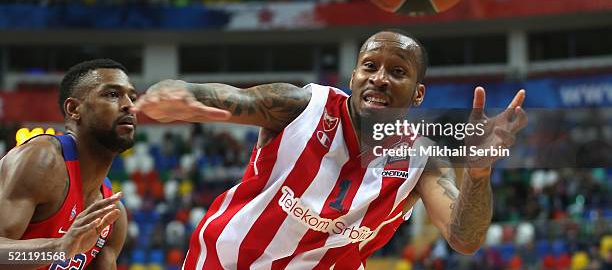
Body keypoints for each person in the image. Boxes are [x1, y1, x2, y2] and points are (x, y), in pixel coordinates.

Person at [133, 30, 528, 270]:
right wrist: (180, 93)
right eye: (369, 66)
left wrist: (478, 173)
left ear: (418, 93)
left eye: (398, 72)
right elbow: (232, 97)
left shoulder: (423, 159)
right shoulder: (302, 105)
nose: (379, 79)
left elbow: (465, 238)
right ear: (353, 75)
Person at [0, 59, 137, 269]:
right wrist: (58, 248)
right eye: (112, 94)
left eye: (132, 97)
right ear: (74, 108)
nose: (129, 104)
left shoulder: (112, 215)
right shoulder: (43, 161)